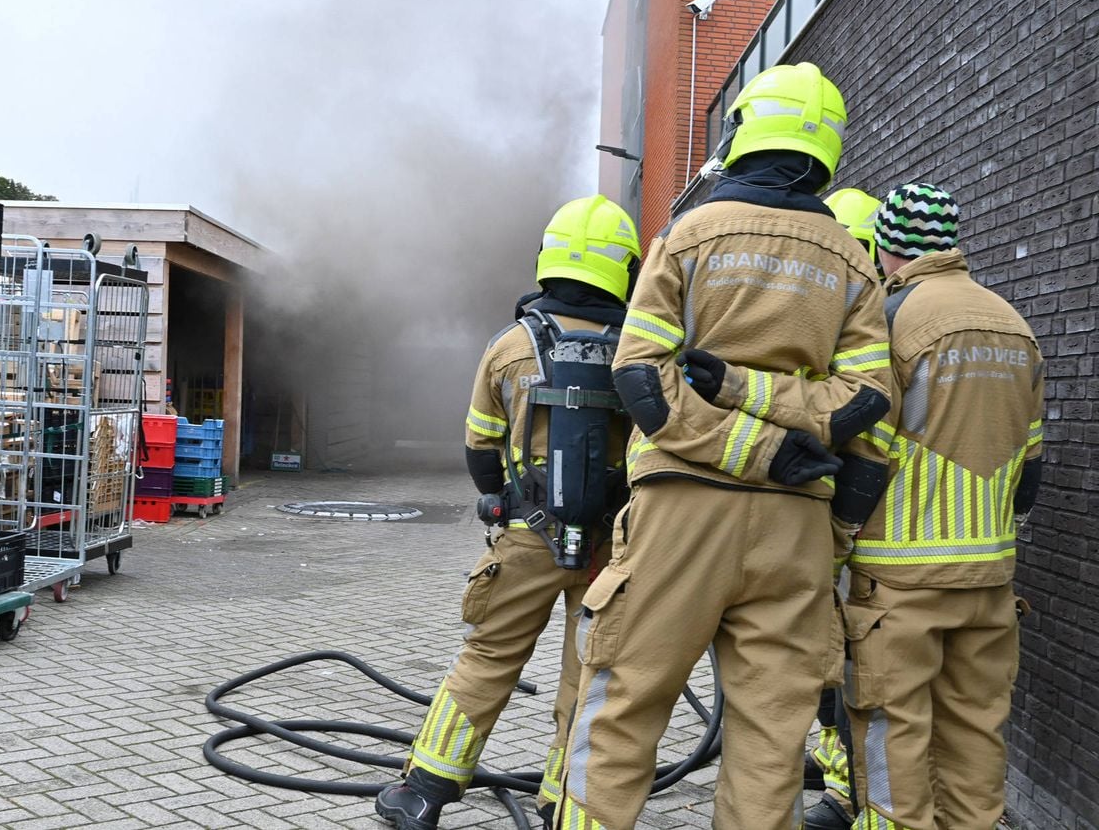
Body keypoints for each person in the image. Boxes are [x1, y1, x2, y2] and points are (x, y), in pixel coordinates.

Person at [553, 62, 893, 830]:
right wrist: (779, 443)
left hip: (679, 510)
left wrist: (737, 422)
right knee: (773, 737)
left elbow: (639, 378)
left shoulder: (687, 235)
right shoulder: (854, 263)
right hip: (796, 530)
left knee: (622, 712)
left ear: (742, 132)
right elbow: (866, 403)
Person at [375, 195, 640, 830]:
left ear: (548, 258)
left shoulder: (510, 347)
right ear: (624, 268)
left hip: (528, 537)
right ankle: (565, 804)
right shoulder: (639, 346)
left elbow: (478, 445)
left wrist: (500, 498)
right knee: (593, 675)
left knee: (489, 657)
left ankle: (424, 793)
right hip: (611, 546)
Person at [841, 183, 1043, 830]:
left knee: (892, 739)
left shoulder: (891, 320)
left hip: (899, 585)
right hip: (990, 581)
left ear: (887, 248)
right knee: (976, 735)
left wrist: (834, 542)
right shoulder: (1014, 326)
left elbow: (867, 455)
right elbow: (1029, 475)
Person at [803, 186, 886, 830]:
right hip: (839, 521)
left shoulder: (865, 329)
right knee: (831, 660)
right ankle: (836, 772)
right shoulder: (854, 325)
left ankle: (844, 786)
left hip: (852, 528)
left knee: (848, 663)